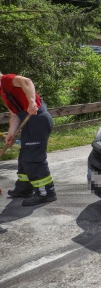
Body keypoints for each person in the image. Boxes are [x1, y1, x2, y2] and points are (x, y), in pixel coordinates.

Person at [0, 71, 56, 206]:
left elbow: (27, 81)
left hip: (38, 119)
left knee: (33, 157)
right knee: (25, 155)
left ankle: (46, 193)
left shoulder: (6, 80)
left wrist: (31, 102)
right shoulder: (2, 90)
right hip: (28, 120)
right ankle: (24, 188)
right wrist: (11, 133)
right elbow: (14, 113)